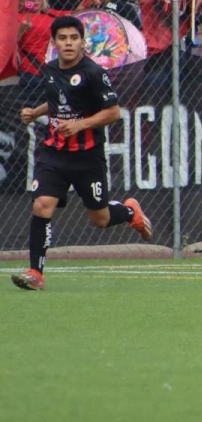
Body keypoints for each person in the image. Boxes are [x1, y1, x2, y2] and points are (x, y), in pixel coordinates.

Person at [10, 16, 152, 291]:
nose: (68, 43)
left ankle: (129, 211)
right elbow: (59, 100)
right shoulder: (51, 69)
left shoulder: (93, 73)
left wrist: (79, 125)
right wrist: (35, 112)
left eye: (74, 38)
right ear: (54, 43)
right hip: (53, 153)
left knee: (100, 219)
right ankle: (36, 273)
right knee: (41, 206)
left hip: (87, 157)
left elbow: (113, 112)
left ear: (82, 42)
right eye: (62, 38)